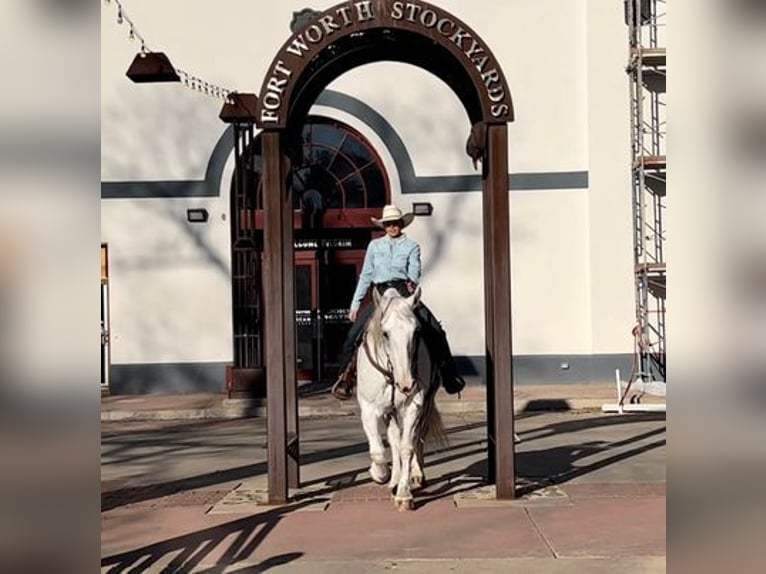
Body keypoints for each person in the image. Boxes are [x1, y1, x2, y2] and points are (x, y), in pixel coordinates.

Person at [331, 204, 466, 400]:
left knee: (435, 329)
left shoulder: (412, 246)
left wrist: (410, 288)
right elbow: (366, 276)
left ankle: (449, 376)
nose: (392, 227)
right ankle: (345, 378)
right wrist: (355, 305)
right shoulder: (374, 246)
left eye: (395, 223)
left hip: (403, 293)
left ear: (401, 224)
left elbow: (414, 273)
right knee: (354, 334)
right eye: (388, 224)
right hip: (380, 295)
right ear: (383, 226)